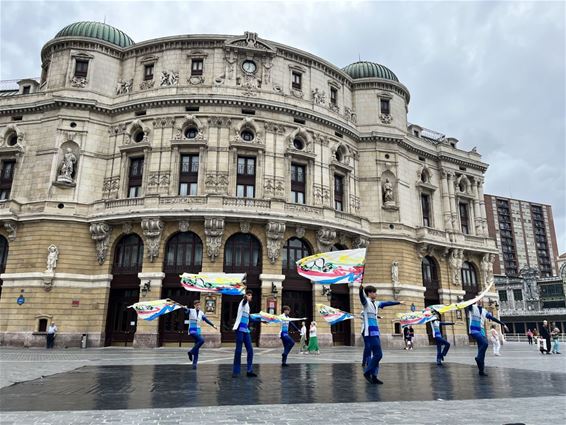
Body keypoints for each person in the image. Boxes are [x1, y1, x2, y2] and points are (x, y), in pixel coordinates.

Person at [360, 284, 403, 384]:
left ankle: (374, 376)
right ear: (369, 293)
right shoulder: (366, 302)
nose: (376, 294)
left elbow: (387, 303)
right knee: (378, 354)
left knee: (377, 355)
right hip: (369, 331)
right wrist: (360, 290)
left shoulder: (377, 303)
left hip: (375, 331)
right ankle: (367, 372)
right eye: (374, 292)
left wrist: (398, 302)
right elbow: (362, 297)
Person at [467, 300, 508, 376]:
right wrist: (472, 301)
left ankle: (481, 371)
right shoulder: (472, 307)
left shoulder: (484, 311)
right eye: (478, 300)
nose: (479, 301)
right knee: (485, 343)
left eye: (480, 300)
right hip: (474, 330)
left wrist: (503, 324)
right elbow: (468, 305)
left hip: (482, 332)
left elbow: (493, 318)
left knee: (482, 351)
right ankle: (478, 358)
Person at [232, 290, 258, 377]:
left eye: (251, 295)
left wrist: (262, 320)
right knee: (238, 351)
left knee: (250, 350)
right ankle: (236, 372)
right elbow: (244, 301)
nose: (250, 296)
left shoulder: (248, 306)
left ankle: (249, 371)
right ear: (245, 296)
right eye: (249, 295)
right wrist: (245, 298)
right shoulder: (243, 303)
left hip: (246, 330)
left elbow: (249, 318)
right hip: (239, 329)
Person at [186, 300, 217, 369]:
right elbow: (186, 312)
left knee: (197, 347)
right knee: (202, 340)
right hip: (192, 330)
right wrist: (185, 309)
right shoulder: (191, 310)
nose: (198, 306)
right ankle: (191, 352)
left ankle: (194, 364)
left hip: (198, 330)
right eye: (197, 305)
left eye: (199, 305)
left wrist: (213, 325)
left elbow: (206, 320)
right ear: (194, 305)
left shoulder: (201, 313)